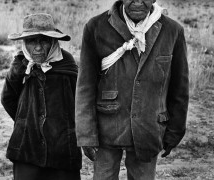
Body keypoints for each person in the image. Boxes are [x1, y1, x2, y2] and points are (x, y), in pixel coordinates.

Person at [75, 0, 189, 179]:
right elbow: (85, 86)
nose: (137, 1)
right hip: (106, 126)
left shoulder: (172, 31)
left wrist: (175, 131)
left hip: (149, 127)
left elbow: (179, 88)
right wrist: (86, 134)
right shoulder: (96, 27)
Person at [1, 13, 81, 180]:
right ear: (24, 43)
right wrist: (26, 120)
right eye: (31, 41)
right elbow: (8, 98)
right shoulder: (20, 63)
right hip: (27, 147)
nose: (37, 48)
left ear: (52, 41)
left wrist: (64, 128)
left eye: (43, 40)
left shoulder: (66, 62)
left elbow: (79, 102)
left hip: (62, 148)